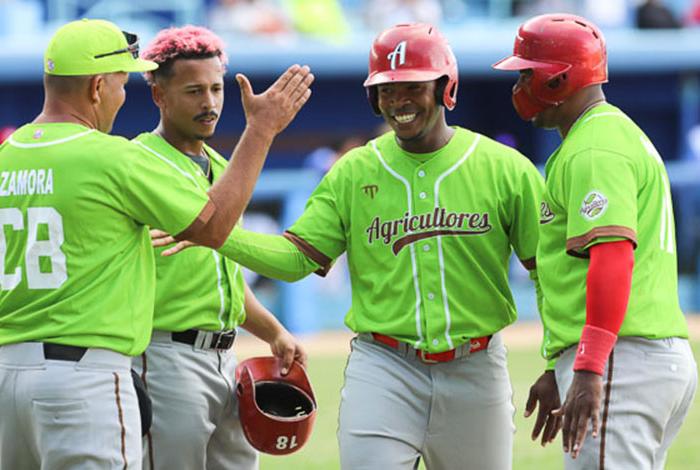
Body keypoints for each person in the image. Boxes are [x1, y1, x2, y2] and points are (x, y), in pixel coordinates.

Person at [155, 22, 545, 469]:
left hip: (477, 366)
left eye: (413, 86)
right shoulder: (353, 171)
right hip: (384, 368)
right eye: (386, 88)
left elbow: (548, 273)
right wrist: (218, 234)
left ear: (444, 88)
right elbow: (296, 258)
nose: (398, 100)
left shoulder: (505, 169)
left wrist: (559, 361)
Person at [0, 18, 313, 470]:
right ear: (98, 87)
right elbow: (215, 228)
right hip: (90, 376)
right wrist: (261, 129)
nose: (124, 96)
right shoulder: (117, 157)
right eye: (122, 83)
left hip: (8, 376)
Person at [493, 13, 698, 469]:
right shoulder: (604, 134)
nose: (521, 86)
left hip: (623, 359)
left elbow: (612, 258)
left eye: (528, 73)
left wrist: (588, 366)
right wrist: (557, 364)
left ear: (559, 78)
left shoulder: (594, 146)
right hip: (637, 355)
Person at [132, 25, 308, 470]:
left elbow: (221, 275)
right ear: (159, 95)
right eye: (193, 91)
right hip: (165, 357)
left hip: (226, 361)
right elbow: (209, 227)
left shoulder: (221, 166)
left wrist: (273, 331)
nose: (209, 103)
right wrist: (262, 130)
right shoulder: (139, 162)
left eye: (215, 88)